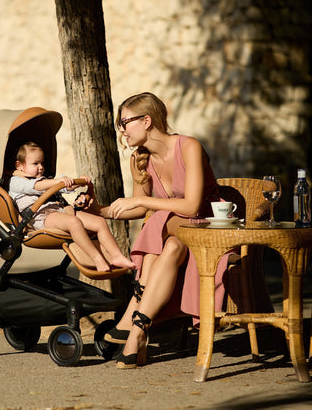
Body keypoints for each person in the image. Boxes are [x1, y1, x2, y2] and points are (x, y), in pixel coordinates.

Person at [83, 92, 229, 369]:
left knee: (158, 219)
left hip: (209, 225)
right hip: (176, 236)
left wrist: (139, 199)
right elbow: (136, 210)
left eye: (125, 122)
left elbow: (191, 205)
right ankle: (137, 333)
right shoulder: (140, 158)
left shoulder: (189, 147)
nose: (122, 130)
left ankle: (130, 315)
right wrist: (96, 209)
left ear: (147, 121)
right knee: (170, 245)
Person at [8, 141, 135, 273]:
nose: (40, 167)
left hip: (59, 211)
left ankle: (117, 256)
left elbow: (63, 188)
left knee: (99, 222)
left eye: (42, 163)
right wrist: (57, 182)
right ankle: (97, 259)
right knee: (74, 222)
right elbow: (36, 187)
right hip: (41, 218)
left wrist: (77, 182)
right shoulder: (16, 181)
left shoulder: (45, 179)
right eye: (35, 163)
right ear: (19, 165)